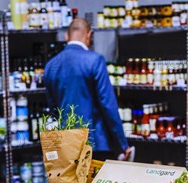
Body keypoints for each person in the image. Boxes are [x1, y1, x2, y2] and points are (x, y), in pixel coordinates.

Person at [44, 18, 133, 161]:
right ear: (89, 35)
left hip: (66, 144)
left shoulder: (51, 65)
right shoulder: (94, 60)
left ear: (66, 36)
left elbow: (53, 110)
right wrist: (122, 144)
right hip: (95, 143)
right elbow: (108, 105)